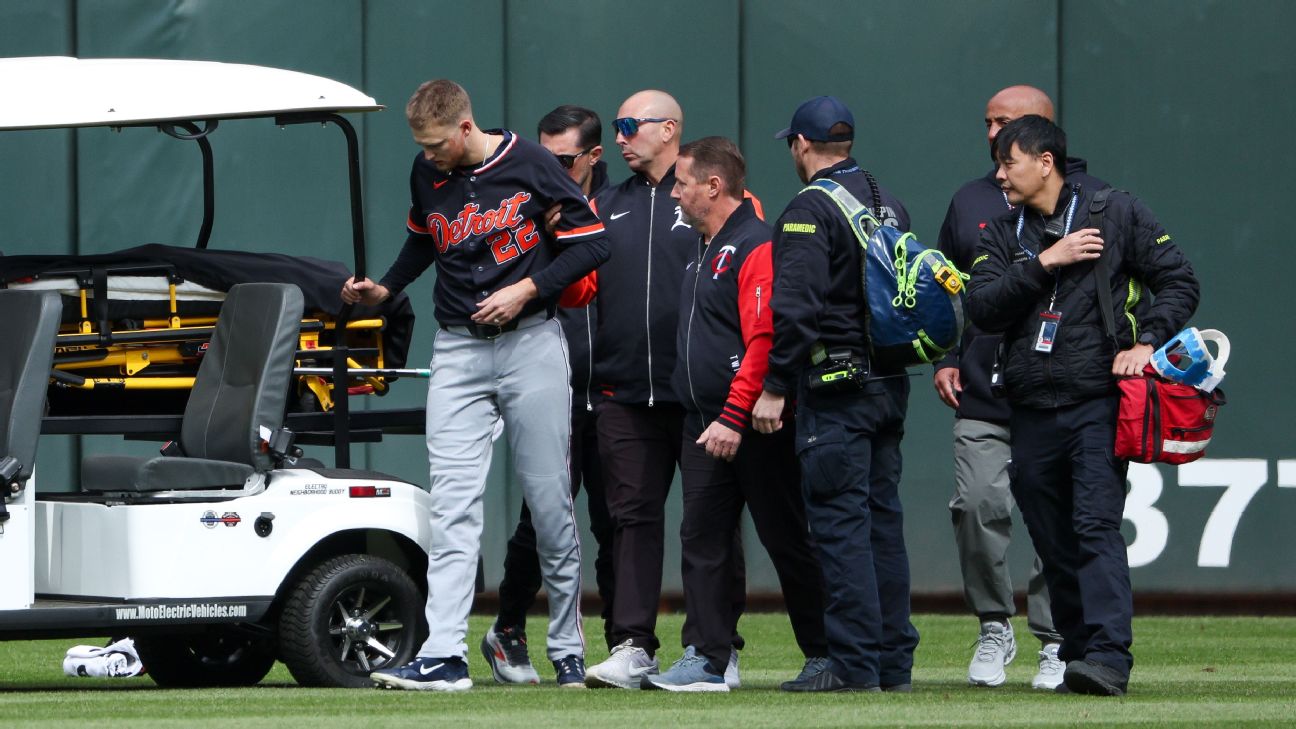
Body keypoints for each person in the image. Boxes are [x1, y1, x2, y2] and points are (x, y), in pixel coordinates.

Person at [343, 79, 610, 692]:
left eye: (437, 143)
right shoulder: (426, 171)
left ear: (465, 127)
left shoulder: (530, 161)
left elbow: (593, 244)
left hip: (532, 340)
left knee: (550, 506)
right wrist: (385, 289)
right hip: (459, 348)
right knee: (453, 508)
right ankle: (444, 656)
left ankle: (567, 646)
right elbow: (422, 239)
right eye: (422, 145)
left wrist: (527, 288)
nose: (429, 154)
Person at [967, 114, 1198, 696]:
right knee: (1050, 535)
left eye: (1008, 161)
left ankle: (1108, 657)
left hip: (1097, 400)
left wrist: (1147, 343)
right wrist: (1048, 261)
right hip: (1027, 407)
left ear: (1045, 162)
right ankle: (1076, 650)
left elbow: (1179, 280)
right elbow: (983, 308)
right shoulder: (1001, 232)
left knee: (1095, 524)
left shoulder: (1114, 212)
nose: (999, 174)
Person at [639, 137, 828, 692]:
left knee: (787, 537)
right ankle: (707, 658)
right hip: (702, 419)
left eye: (682, 183)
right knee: (702, 537)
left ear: (713, 186)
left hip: (752, 423)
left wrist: (734, 412)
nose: (674, 193)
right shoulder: (707, 243)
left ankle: (825, 653)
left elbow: (763, 339)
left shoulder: (755, 243)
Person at [934, 85, 1107, 690]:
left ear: (1044, 139)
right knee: (978, 503)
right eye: (987, 122)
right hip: (984, 385)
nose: (991, 135)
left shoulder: (1096, 202)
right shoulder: (971, 200)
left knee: (1055, 517)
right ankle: (992, 623)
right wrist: (946, 357)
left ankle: (1057, 636)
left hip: (1061, 390)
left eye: (1004, 124)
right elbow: (956, 293)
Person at [752, 95, 919, 693]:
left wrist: (773, 388)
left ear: (800, 145)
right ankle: (894, 665)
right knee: (882, 527)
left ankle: (853, 667)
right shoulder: (885, 201)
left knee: (841, 531)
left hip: (834, 391)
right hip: (888, 385)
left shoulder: (807, 209)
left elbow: (796, 309)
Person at [583, 90, 747, 690]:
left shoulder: (715, 200)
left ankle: (716, 649)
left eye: (631, 125)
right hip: (623, 391)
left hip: (698, 397)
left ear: (669, 128)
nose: (620, 136)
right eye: (617, 125)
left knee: (709, 524)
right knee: (630, 519)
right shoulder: (604, 202)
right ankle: (631, 645)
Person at [480, 105, 616, 685]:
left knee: (616, 521)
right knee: (542, 517)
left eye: (563, 160)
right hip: (547, 381)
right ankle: (508, 628)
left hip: (615, 388)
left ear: (592, 157)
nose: (551, 169)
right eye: (544, 157)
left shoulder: (626, 206)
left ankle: (624, 643)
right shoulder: (523, 199)